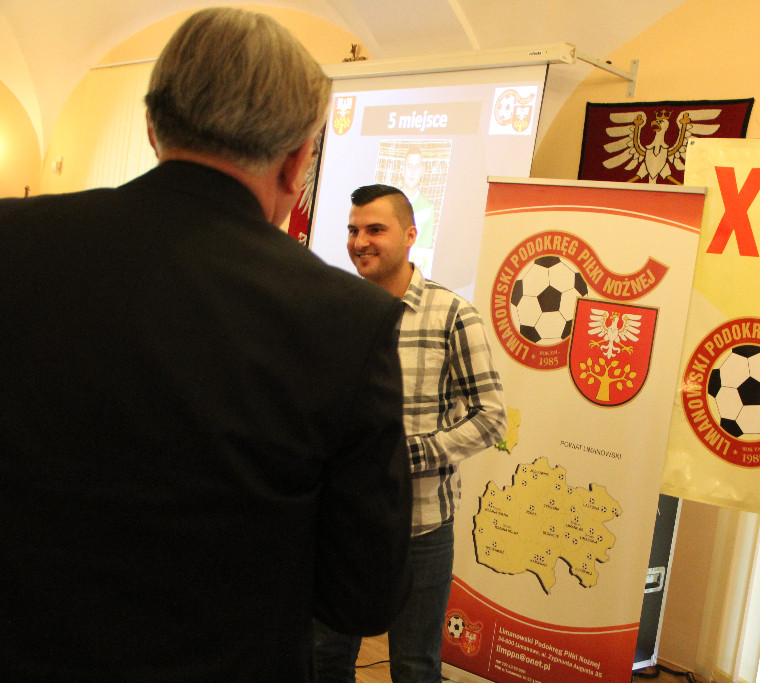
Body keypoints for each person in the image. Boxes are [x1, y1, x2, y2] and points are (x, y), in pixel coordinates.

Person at [0, 8, 411, 681]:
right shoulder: (346, 319)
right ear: (297, 162)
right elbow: (361, 594)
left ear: (153, 127)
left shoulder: (15, 243)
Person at [313, 184, 507, 682]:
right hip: (341, 520)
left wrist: (402, 456)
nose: (360, 242)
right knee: (325, 658)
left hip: (421, 524)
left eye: (375, 229)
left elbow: (490, 417)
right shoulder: (335, 309)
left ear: (411, 235)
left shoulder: (453, 315)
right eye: (353, 230)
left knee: (415, 666)